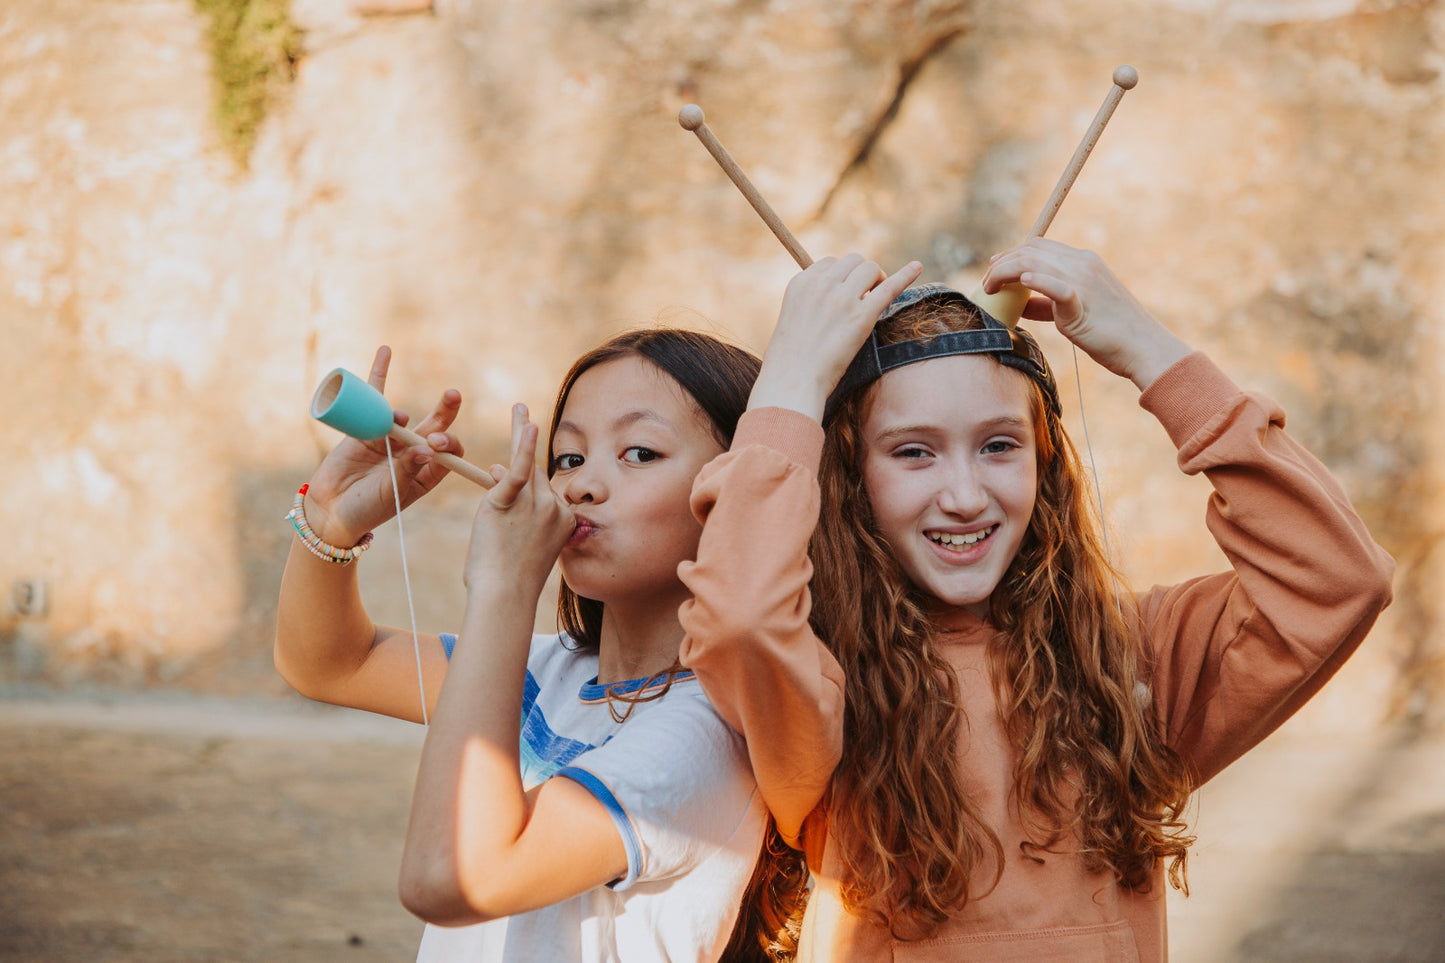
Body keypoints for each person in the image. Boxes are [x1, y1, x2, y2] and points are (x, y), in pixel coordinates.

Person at [677, 239, 1395, 960]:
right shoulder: (820, 684)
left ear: (1044, 463)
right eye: (911, 452)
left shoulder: (1134, 660)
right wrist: (792, 385)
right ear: (851, 477)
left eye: (998, 445)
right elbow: (740, 616)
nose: (963, 496)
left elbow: (1337, 578)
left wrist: (1151, 352)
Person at [274, 329, 780, 961]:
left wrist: (504, 586)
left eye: (640, 453)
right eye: (569, 458)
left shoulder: (703, 736)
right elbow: (330, 664)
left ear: (733, 498)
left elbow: (450, 880)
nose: (581, 486)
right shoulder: (551, 671)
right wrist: (330, 520)